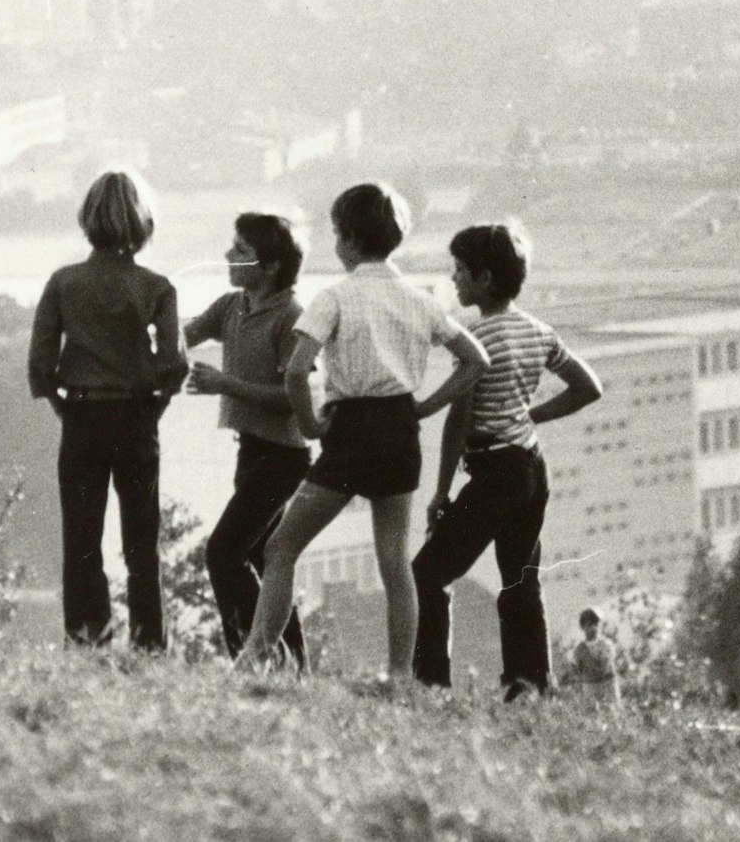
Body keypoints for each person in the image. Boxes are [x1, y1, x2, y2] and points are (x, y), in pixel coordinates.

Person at [236, 182, 490, 685]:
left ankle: (257, 657)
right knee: (395, 560)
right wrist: (424, 407)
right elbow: (474, 361)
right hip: (399, 430)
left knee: (281, 548)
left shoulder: (334, 297)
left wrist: (310, 425)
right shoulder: (419, 300)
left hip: (350, 431)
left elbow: (295, 371)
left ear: (349, 240)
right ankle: (398, 675)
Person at [411, 222, 603, 701]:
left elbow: (459, 419)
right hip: (531, 469)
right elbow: (588, 387)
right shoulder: (539, 330)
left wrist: (440, 493)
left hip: (496, 471)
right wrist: (532, 414)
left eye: (460, 271)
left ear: (486, 280)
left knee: (429, 573)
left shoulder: (477, 338)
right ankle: (530, 684)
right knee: (519, 580)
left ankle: (430, 683)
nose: (454, 280)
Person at [28, 170, 188, 651]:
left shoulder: (63, 283)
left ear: (87, 220)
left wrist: (64, 409)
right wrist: (152, 409)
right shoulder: (157, 288)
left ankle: (87, 642)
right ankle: (149, 646)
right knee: (142, 545)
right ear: (143, 224)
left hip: (81, 419)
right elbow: (175, 366)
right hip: (137, 419)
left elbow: (39, 366)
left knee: (81, 542)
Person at [184, 212, 311, 667]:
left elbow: (293, 400)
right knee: (264, 558)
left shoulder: (293, 317)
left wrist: (226, 384)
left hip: (283, 456)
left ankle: (251, 658)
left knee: (223, 553)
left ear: (271, 266)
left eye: (239, 251)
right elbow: (186, 334)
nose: (227, 256)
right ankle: (294, 665)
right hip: (252, 451)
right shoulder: (232, 306)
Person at [567, 607, 622, 706]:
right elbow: (574, 668)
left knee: (613, 711)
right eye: (588, 625)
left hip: (608, 684)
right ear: (583, 628)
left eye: (595, 624)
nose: (593, 628)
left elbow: (611, 661)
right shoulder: (579, 649)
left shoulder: (606, 644)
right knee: (593, 713)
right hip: (590, 686)